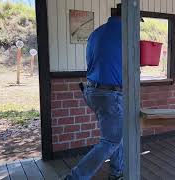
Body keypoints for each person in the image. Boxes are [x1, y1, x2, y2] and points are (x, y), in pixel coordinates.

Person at [64, 4, 124, 180]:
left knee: (117, 135)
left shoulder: (96, 33)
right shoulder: (126, 34)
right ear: (128, 17)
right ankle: (75, 177)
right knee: (110, 140)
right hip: (110, 95)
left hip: (92, 91)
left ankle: (117, 173)